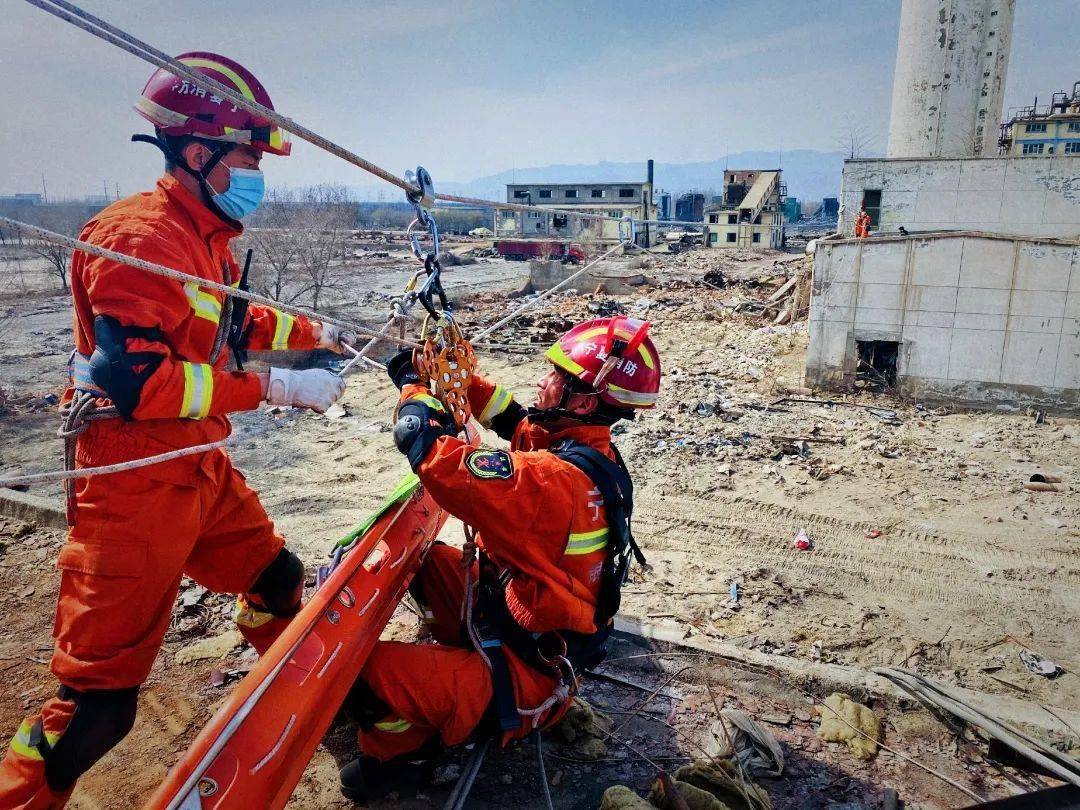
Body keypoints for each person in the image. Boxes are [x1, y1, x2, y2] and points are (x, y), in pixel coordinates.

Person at [0, 53, 350, 809]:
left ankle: (293, 701)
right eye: (249, 160)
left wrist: (317, 333)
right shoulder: (138, 239)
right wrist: (279, 387)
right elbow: (141, 384)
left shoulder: (203, 235)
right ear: (197, 153)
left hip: (197, 464)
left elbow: (231, 322)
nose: (257, 176)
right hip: (132, 482)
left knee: (277, 580)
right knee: (97, 710)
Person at [337, 316, 661, 802]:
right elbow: (514, 419)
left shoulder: (551, 481)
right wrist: (458, 379)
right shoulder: (586, 453)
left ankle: (403, 756)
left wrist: (413, 388)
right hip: (517, 628)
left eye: (556, 376)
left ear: (583, 402)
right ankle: (448, 666)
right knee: (427, 562)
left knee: (360, 673)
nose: (542, 381)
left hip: (523, 677)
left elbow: (431, 452)